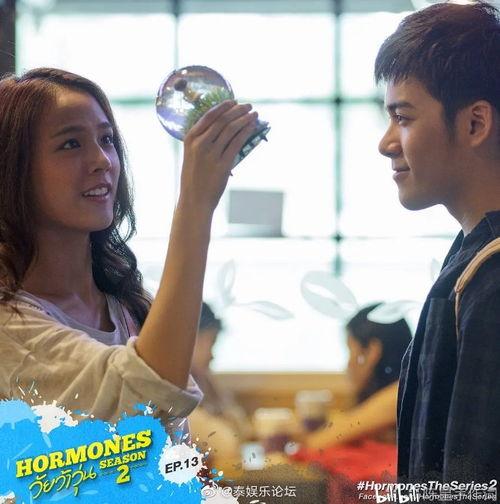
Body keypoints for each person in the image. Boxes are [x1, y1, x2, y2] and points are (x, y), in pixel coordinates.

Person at [0, 67, 259, 439]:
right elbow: (146, 403)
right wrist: (195, 203)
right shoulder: (9, 325)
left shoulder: (128, 305)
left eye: (106, 139)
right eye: (70, 144)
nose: (102, 160)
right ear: (13, 170)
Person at [375, 1, 500, 482]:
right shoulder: (473, 254)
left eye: (403, 118)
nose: (386, 142)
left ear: (475, 124)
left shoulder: (492, 278)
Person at [305, 304, 412, 451]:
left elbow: (319, 441)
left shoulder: (398, 395)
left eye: (351, 351)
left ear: (372, 352)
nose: (348, 365)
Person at [189, 302, 252, 462]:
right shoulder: (172, 395)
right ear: (189, 340)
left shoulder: (202, 380)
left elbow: (243, 428)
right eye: (211, 343)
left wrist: (212, 389)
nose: (212, 356)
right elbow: (226, 445)